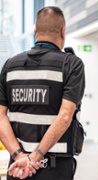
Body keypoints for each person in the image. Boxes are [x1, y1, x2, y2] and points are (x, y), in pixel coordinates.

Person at [0, 6, 85, 180]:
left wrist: (19, 156)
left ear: (34, 30)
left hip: (18, 168)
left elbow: (0, 116)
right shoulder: (71, 65)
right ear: (63, 31)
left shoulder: (10, 66)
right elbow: (65, 116)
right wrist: (35, 158)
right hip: (55, 168)